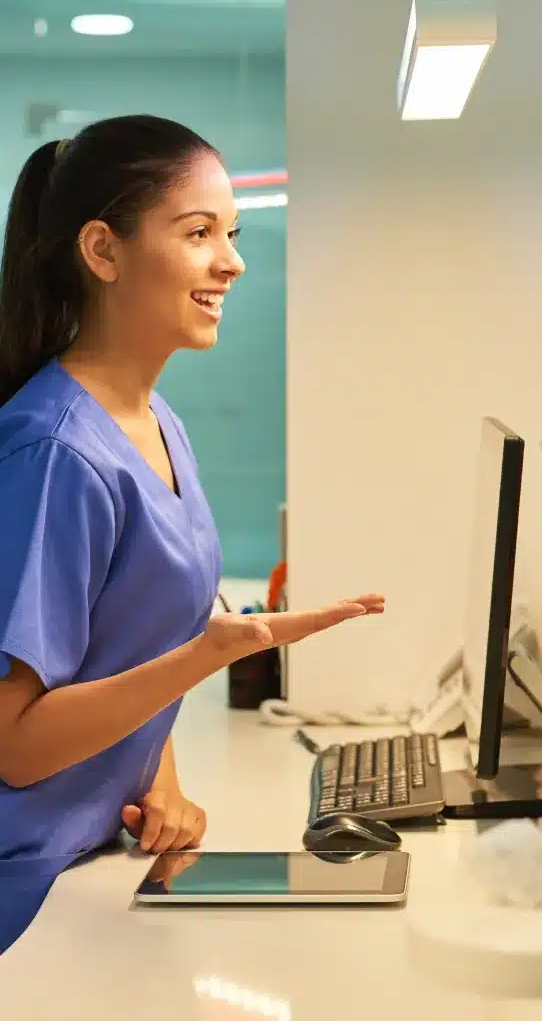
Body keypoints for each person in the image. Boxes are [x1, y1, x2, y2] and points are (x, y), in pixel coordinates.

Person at [0, 115, 383, 930]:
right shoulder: (56, 452)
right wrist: (203, 658)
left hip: (97, 859)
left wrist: (159, 784)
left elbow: (125, 641)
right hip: (26, 893)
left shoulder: (157, 421)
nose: (233, 261)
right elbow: (18, 742)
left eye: (233, 233)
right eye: (200, 232)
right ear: (102, 252)